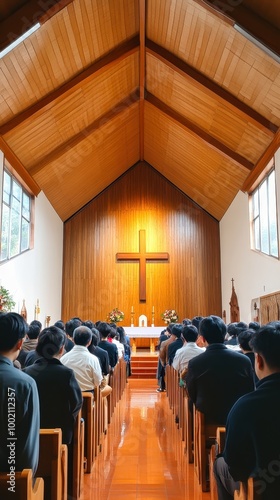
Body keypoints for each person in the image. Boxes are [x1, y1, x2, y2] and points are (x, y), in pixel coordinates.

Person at [214, 324, 280, 500]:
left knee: (219, 464)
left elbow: (235, 466)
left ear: (258, 360)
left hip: (266, 490)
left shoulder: (246, 405)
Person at [185, 315, 254, 424]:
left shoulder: (195, 363)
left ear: (202, 339)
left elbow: (192, 393)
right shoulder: (244, 360)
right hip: (238, 416)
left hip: (208, 417)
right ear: (224, 334)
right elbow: (250, 389)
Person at [24, 325, 83, 445]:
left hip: (31, 434)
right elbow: (77, 402)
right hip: (61, 432)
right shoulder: (66, 374)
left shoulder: (26, 373)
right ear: (61, 349)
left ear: (38, 348)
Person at [0, 312, 40, 475]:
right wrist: (21, 484)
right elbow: (28, 444)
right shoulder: (25, 383)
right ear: (19, 343)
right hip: (10, 478)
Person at [61, 325, 102, 391]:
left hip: (69, 397)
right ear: (90, 341)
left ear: (73, 340)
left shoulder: (63, 358)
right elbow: (98, 382)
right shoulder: (93, 359)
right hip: (89, 396)